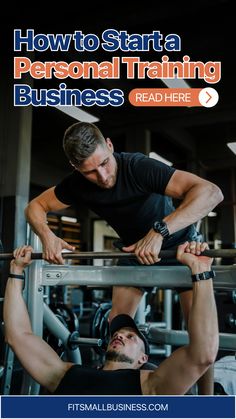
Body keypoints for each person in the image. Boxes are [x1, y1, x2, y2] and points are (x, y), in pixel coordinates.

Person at [24, 121, 223, 393]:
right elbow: (35, 206)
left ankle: (207, 401)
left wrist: (160, 230)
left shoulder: (138, 167)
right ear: (75, 167)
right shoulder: (77, 184)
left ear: (109, 145)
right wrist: (47, 236)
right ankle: (115, 387)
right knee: (116, 324)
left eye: (105, 163)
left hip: (181, 248)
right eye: (90, 171)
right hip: (134, 252)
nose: (103, 176)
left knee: (198, 333)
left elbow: (212, 193)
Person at [4, 242, 219, 395]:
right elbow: (18, 336)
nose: (120, 336)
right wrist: (15, 271)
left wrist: (201, 272)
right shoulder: (65, 374)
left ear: (142, 360)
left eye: (130, 336)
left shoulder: (151, 387)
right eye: (117, 333)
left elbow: (203, 354)